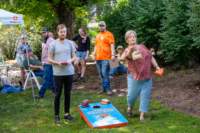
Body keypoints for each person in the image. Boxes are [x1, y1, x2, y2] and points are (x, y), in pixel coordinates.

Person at [120, 30, 160, 121]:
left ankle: (142, 116)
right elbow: (121, 59)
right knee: (131, 96)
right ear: (127, 40)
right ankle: (130, 107)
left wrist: (157, 66)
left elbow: (151, 57)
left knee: (145, 95)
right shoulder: (127, 50)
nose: (132, 38)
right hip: (133, 77)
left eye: (134, 36)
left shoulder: (142, 47)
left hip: (146, 77)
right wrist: (126, 61)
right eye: (130, 37)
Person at [48, 24, 77, 125]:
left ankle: (67, 114)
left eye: (64, 31)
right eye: (61, 32)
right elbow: (49, 58)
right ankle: (56, 116)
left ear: (66, 32)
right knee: (58, 94)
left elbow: (74, 56)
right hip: (58, 73)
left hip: (69, 72)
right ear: (57, 32)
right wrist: (57, 63)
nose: (63, 33)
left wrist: (70, 60)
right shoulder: (53, 44)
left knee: (67, 94)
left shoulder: (70, 43)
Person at [93, 21, 115, 96]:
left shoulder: (109, 34)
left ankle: (108, 89)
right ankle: (103, 88)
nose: (101, 27)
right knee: (101, 74)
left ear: (105, 26)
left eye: (102, 25)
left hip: (106, 57)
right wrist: (93, 53)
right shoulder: (97, 35)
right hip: (98, 58)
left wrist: (113, 55)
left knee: (104, 73)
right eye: (100, 26)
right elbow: (96, 45)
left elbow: (112, 45)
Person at [37, 31, 55, 99]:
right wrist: (42, 62)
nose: (43, 34)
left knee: (46, 79)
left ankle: (41, 94)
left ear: (48, 33)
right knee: (51, 79)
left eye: (44, 32)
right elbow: (44, 53)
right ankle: (55, 92)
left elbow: (52, 51)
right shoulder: (45, 41)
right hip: (46, 63)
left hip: (49, 63)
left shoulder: (50, 40)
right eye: (42, 33)